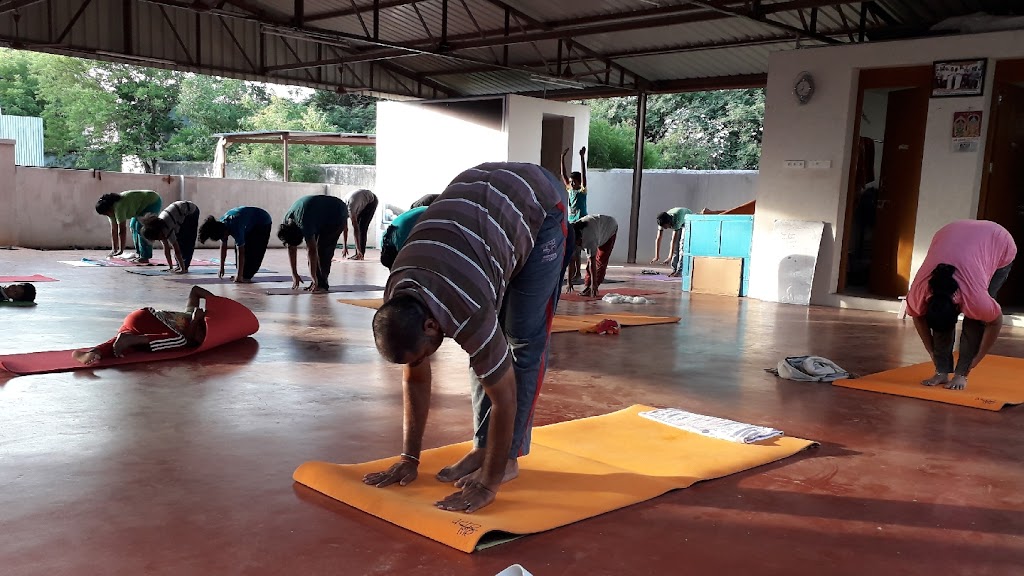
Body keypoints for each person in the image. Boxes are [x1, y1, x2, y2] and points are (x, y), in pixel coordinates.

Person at [364, 162, 572, 514]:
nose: (422, 362)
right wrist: (409, 457)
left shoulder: (467, 306)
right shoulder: (398, 292)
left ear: (431, 325)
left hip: (539, 206)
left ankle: (505, 458)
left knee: (521, 340)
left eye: (422, 353)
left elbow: (504, 396)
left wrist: (489, 485)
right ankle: (483, 446)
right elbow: (414, 377)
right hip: (483, 208)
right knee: (487, 352)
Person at [906, 220, 1016, 391]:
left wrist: (977, 359)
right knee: (943, 323)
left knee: (976, 318)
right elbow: (918, 318)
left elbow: (994, 322)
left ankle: (961, 374)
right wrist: (932, 353)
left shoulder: (975, 298)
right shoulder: (918, 293)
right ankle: (941, 371)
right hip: (950, 233)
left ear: (958, 308)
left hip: (998, 240)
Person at [71, 286, 213, 365]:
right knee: (181, 341)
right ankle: (129, 340)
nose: (199, 333)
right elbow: (195, 290)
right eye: (200, 330)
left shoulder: (192, 322)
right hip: (147, 317)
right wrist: (217, 303)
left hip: (136, 322)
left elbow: (192, 341)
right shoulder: (190, 317)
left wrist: (195, 321)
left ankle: (92, 352)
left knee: (120, 348)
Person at [278, 195, 348, 292]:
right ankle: (317, 281)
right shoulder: (287, 223)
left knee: (323, 250)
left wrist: (313, 277)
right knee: (316, 249)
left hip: (337, 212)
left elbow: (312, 251)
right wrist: (294, 273)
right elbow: (291, 248)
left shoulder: (304, 223)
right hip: (319, 213)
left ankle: (321, 284)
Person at [198, 207, 273, 283]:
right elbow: (223, 247)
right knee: (241, 249)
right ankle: (242, 274)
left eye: (224, 237)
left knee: (254, 253)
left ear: (225, 232)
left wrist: (239, 276)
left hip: (263, 221)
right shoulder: (220, 225)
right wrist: (221, 268)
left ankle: (244, 275)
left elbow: (241, 252)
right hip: (249, 222)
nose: (225, 238)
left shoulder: (236, 226)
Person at [95, 190, 164, 263]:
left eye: (106, 213)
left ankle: (145, 256)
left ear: (109, 208)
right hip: (140, 208)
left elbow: (122, 230)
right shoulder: (111, 211)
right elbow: (114, 230)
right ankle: (140, 254)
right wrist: (114, 250)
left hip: (152, 201)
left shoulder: (119, 207)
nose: (107, 215)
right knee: (133, 226)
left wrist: (121, 250)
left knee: (140, 227)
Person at [140, 200, 201, 273]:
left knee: (186, 240)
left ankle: (184, 266)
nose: (160, 239)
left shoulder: (166, 227)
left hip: (191, 211)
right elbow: (166, 249)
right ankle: (180, 266)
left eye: (158, 237)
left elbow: (176, 250)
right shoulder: (159, 228)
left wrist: (182, 269)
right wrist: (170, 267)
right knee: (178, 239)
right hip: (179, 212)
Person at [568, 215, 618, 297]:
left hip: (609, 227)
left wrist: (594, 283)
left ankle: (594, 287)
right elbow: (571, 260)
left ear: (580, 238)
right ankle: (587, 286)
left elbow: (592, 262)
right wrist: (569, 282)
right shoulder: (572, 235)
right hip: (597, 225)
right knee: (590, 262)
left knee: (601, 260)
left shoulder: (589, 237)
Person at [652, 207, 693, 277]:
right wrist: (657, 256)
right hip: (680, 218)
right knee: (676, 248)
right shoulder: (662, 221)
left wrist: (669, 257)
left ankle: (680, 271)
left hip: (688, 220)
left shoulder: (676, 220)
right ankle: (674, 269)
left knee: (681, 246)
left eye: (666, 226)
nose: (665, 228)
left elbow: (674, 240)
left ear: (669, 222)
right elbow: (658, 238)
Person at [343, 189, 379, 261]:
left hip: (371, 201)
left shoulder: (351, 210)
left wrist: (358, 249)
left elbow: (356, 229)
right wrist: (344, 247)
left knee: (362, 228)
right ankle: (358, 253)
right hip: (360, 199)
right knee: (359, 226)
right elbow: (345, 229)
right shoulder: (342, 210)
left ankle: (360, 254)